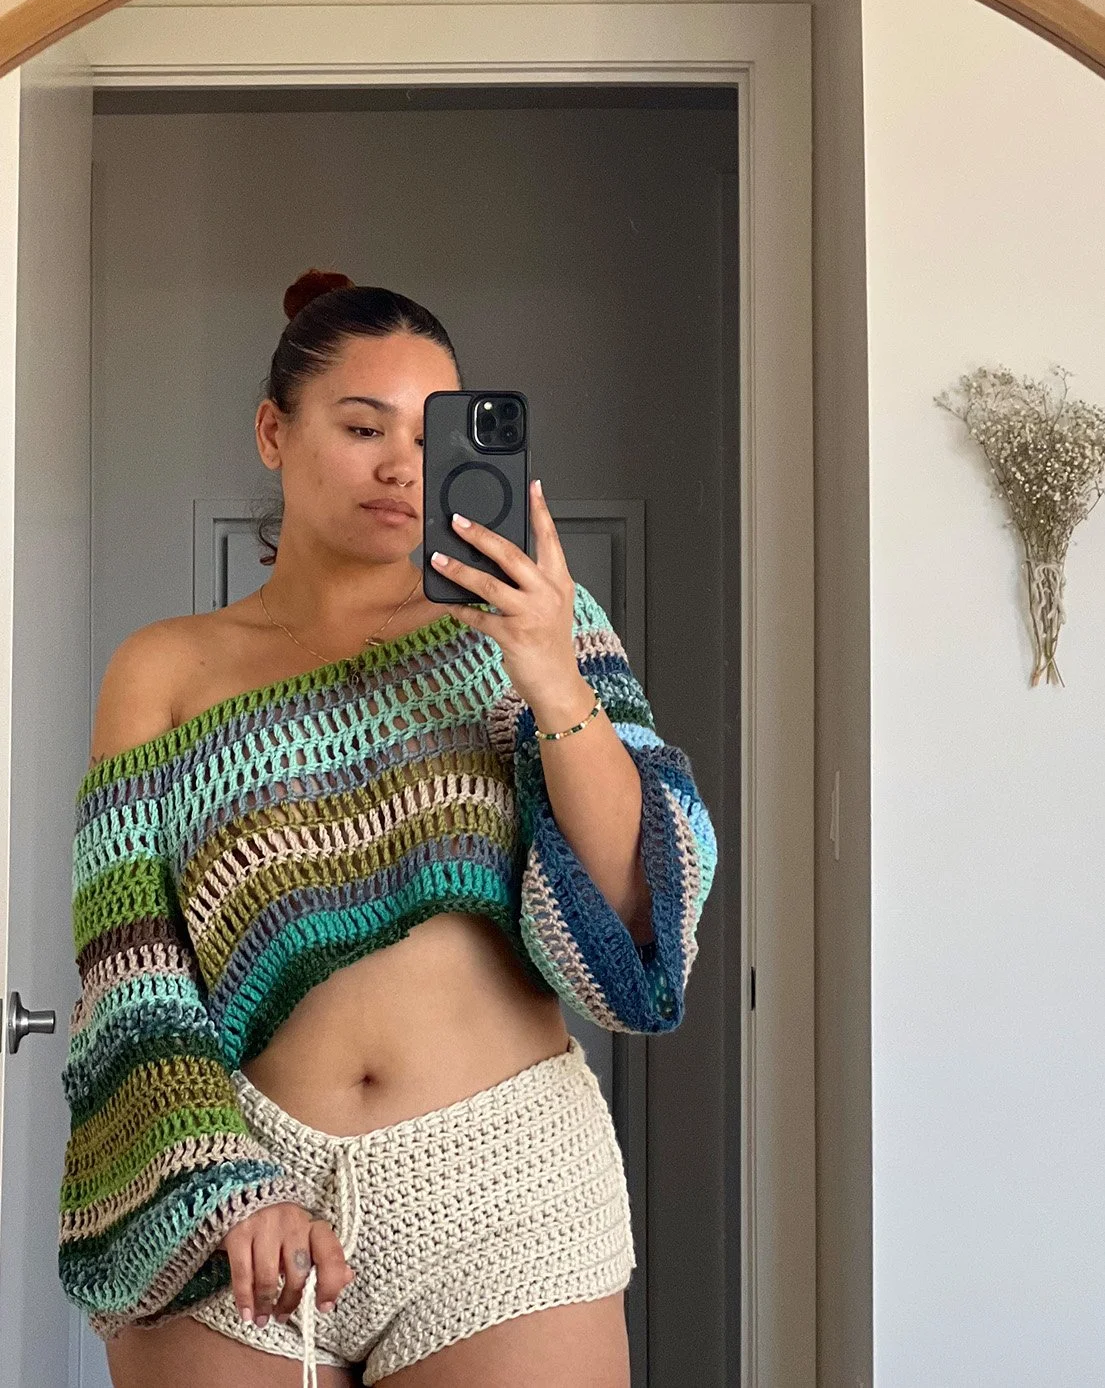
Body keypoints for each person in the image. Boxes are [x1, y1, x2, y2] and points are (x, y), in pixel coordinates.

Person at [57, 269, 718, 1388]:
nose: (402, 466)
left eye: (430, 434)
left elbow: (637, 909)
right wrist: (221, 1185)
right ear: (274, 433)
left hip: (506, 1192)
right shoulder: (162, 671)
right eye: (362, 427)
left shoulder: (533, 625)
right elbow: (130, 976)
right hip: (243, 1198)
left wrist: (550, 673)